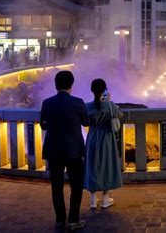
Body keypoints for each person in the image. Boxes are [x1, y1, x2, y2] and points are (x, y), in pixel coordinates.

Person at [40, 71, 90, 230]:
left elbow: (43, 125)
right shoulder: (78, 102)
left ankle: (60, 220)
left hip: (54, 150)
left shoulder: (47, 103)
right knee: (76, 186)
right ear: (71, 85)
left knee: (57, 186)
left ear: (56, 85)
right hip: (73, 150)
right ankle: (73, 220)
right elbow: (85, 121)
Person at [84, 79, 123, 209]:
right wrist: (107, 100)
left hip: (93, 137)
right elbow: (119, 114)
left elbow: (84, 120)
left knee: (93, 165)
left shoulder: (87, 106)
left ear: (92, 90)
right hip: (106, 138)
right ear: (105, 90)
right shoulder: (109, 105)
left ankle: (93, 199)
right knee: (107, 165)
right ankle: (106, 198)